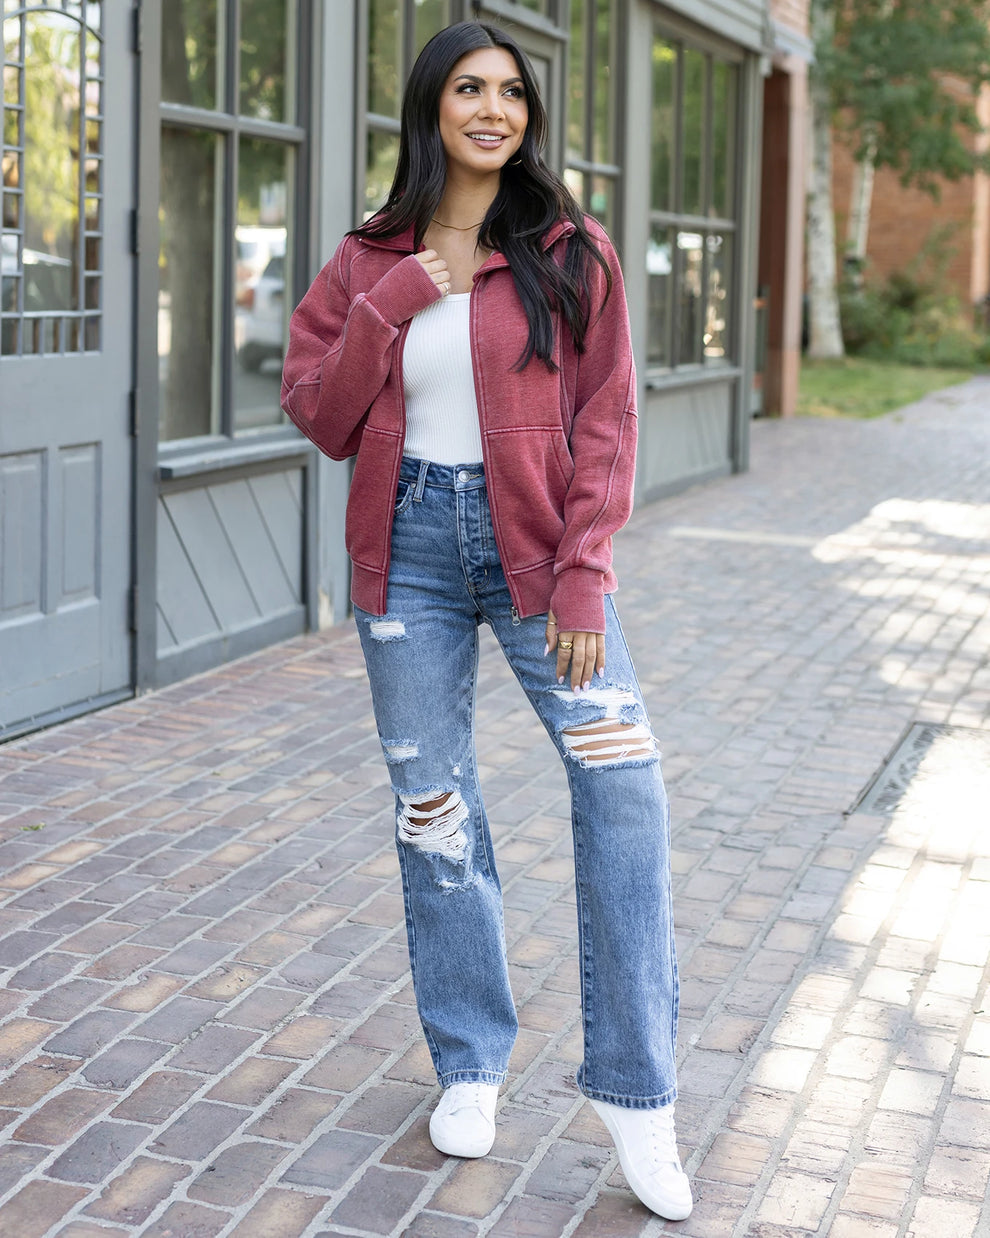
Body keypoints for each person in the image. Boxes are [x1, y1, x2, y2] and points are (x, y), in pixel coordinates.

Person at [281, 20, 692, 1223]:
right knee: (434, 803)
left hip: (536, 553)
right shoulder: (369, 258)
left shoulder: (571, 250)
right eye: (470, 88)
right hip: (405, 553)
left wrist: (584, 569)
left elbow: (607, 420)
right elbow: (322, 413)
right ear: (433, 107)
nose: (494, 109)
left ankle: (637, 1091)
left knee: (624, 785)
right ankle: (469, 1060)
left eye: (512, 92)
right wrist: (396, 302)